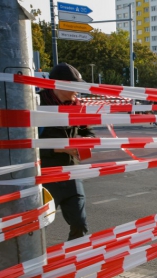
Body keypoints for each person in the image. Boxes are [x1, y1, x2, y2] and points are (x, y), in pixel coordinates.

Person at [39, 63, 95, 241]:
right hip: (45, 177)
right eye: (75, 85)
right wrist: (60, 148)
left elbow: (88, 131)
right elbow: (23, 147)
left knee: (80, 225)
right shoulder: (37, 104)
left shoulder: (77, 105)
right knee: (38, 228)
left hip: (71, 174)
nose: (78, 91)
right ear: (60, 85)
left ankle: (72, 263)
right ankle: (36, 265)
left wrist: (86, 141)